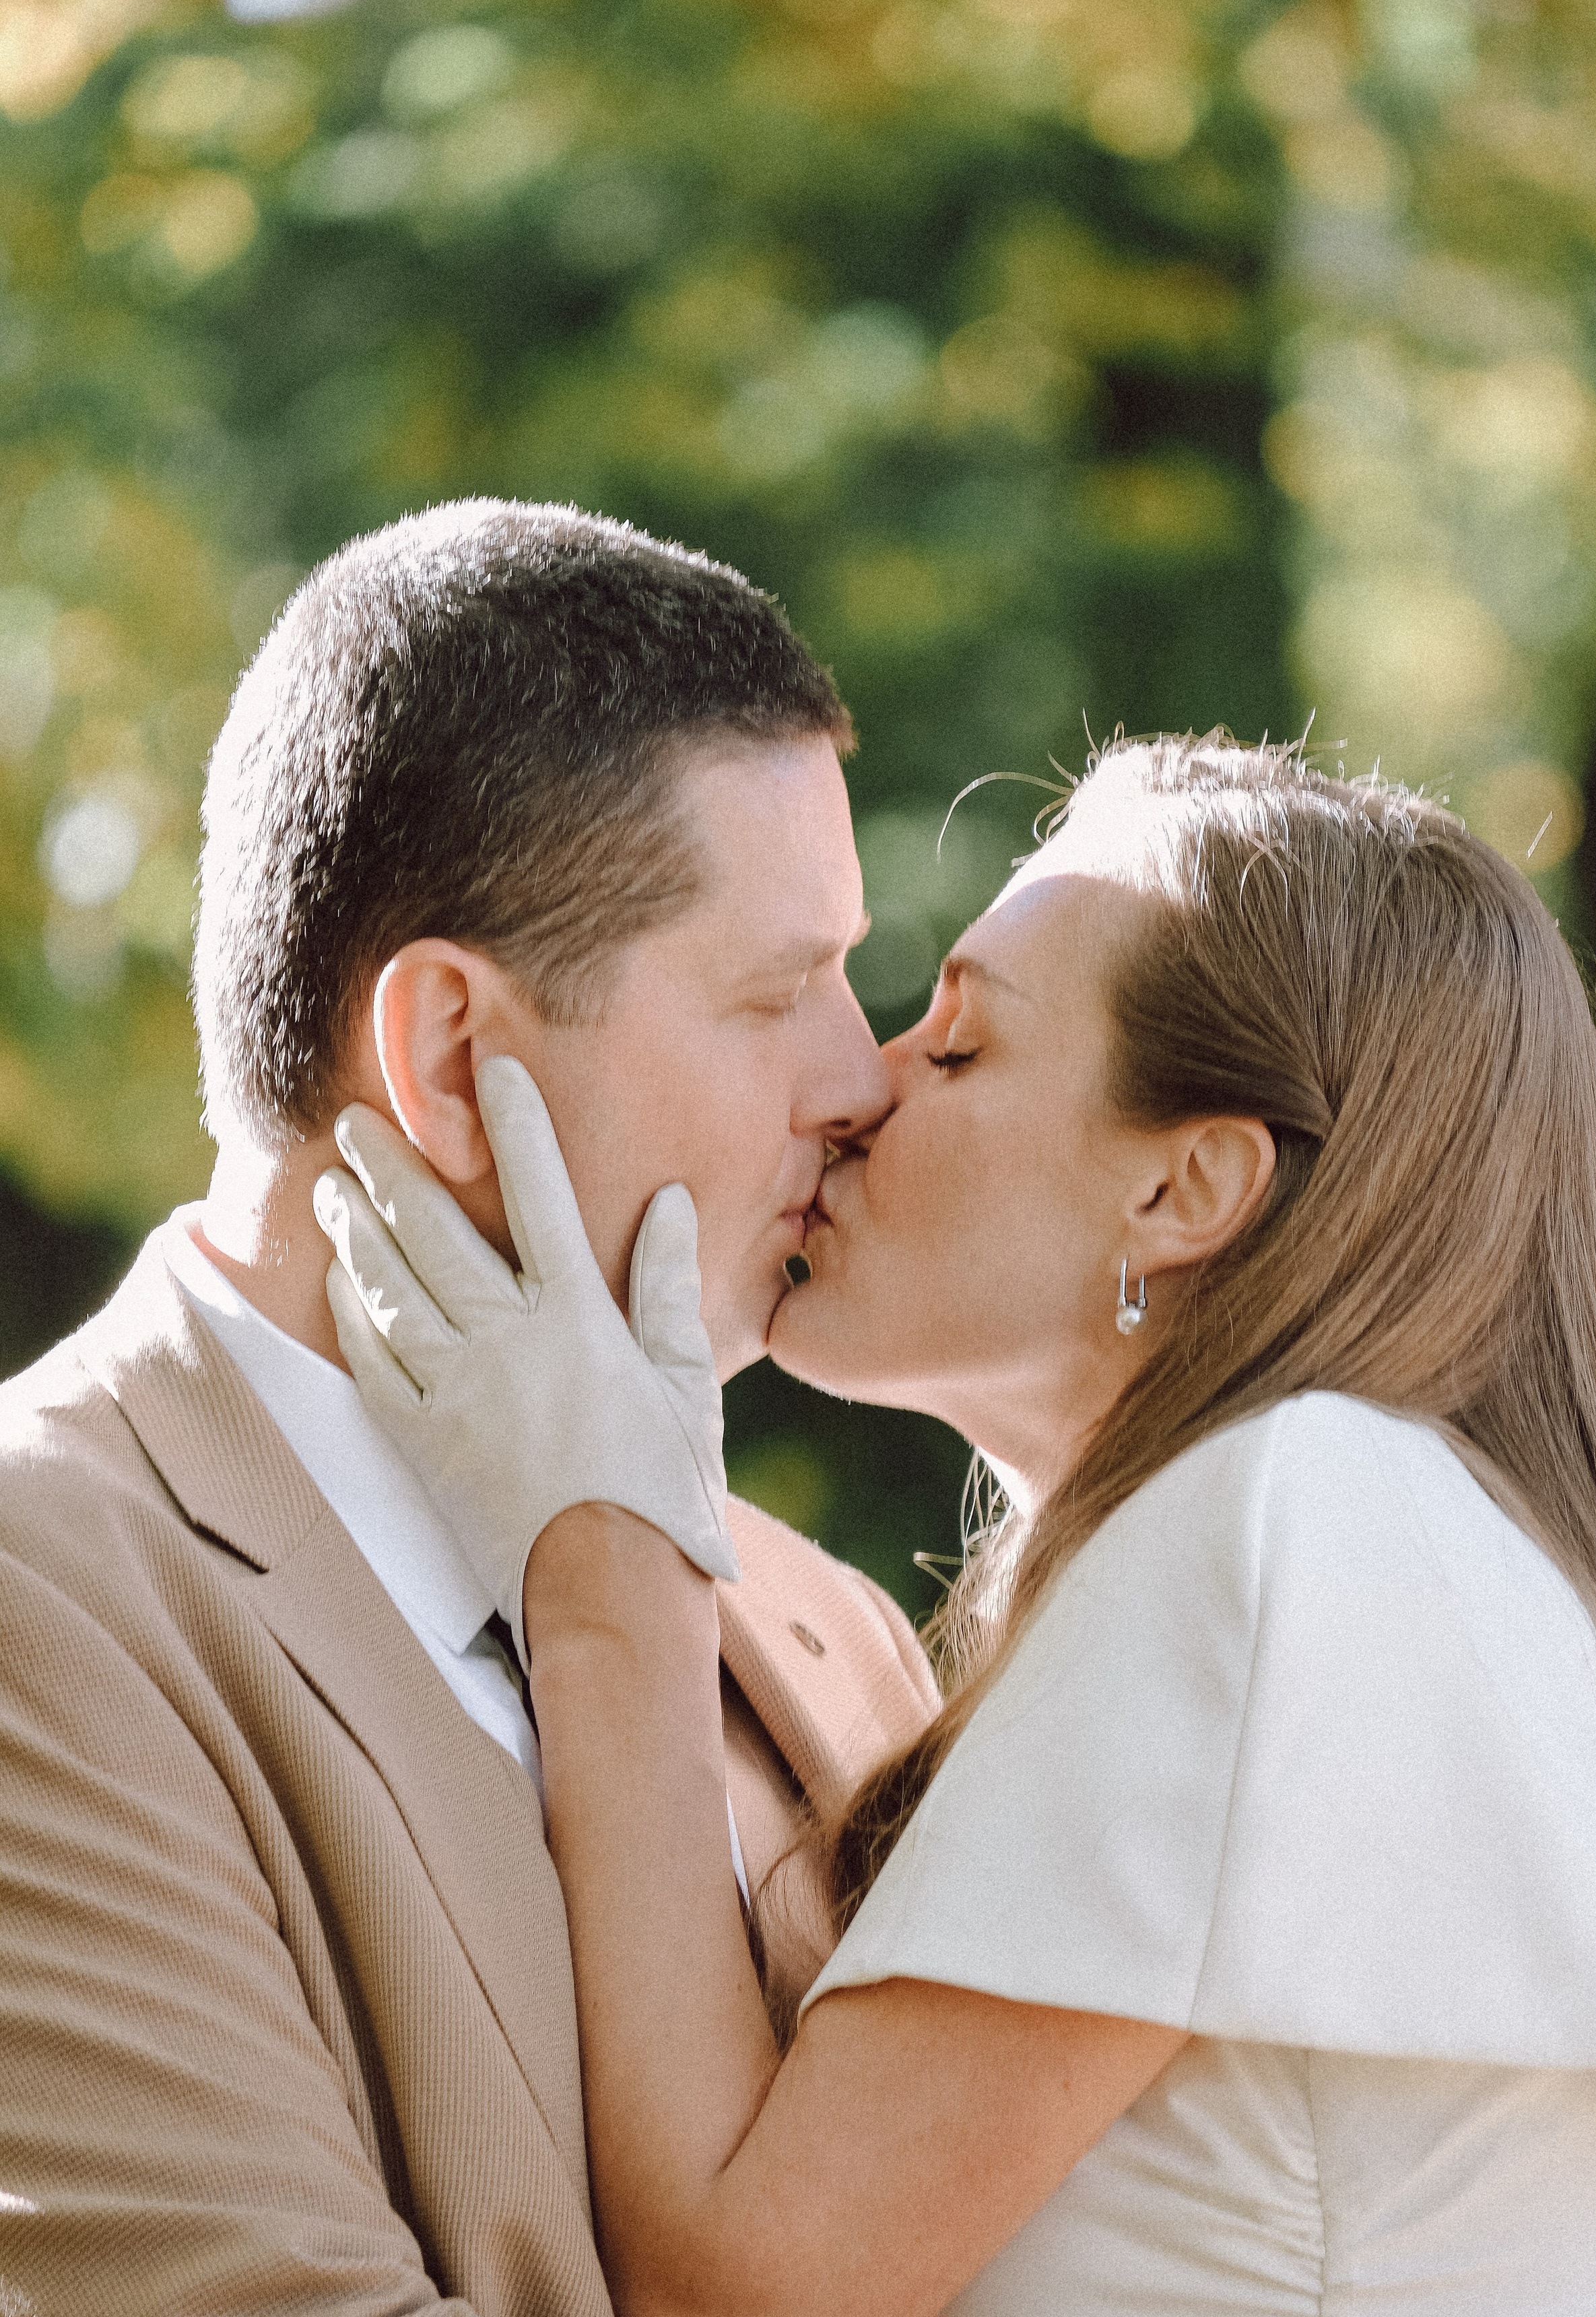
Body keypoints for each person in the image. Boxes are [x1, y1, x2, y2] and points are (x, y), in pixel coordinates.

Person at [324, 733, 1596, 2317]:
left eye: (960, 1044)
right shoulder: (1403, 1542)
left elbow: (743, 2288)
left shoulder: (1288, 1520)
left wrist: (606, 1565)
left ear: (1183, 1189)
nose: (860, 1086)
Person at [0, 499, 938, 2312]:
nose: (864, 1078)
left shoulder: (820, 1617)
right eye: (779, 992)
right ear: (448, 1056)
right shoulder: (50, 1611)